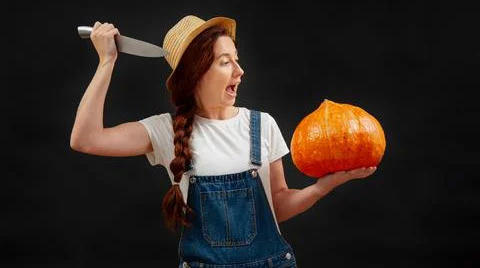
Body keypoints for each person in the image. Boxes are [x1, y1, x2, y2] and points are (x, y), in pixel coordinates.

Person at [70, 14, 376, 268]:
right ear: (196, 73)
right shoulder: (166, 131)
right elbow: (86, 139)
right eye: (226, 62)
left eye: (237, 60)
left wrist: (323, 187)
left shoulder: (262, 124)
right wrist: (106, 61)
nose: (240, 72)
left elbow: (278, 206)